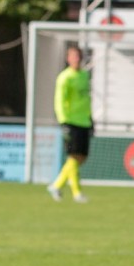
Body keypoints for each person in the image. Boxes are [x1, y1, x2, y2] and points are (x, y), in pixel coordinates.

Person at [46, 44, 93, 203]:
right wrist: (63, 120)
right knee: (74, 155)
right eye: (73, 57)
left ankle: (57, 185)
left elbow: (86, 99)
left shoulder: (84, 75)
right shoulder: (65, 77)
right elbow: (59, 100)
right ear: (68, 59)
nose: (76, 59)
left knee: (81, 157)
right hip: (71, 121)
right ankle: (76, 193)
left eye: (78, 56)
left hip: (84, 121)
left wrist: (90, 118)